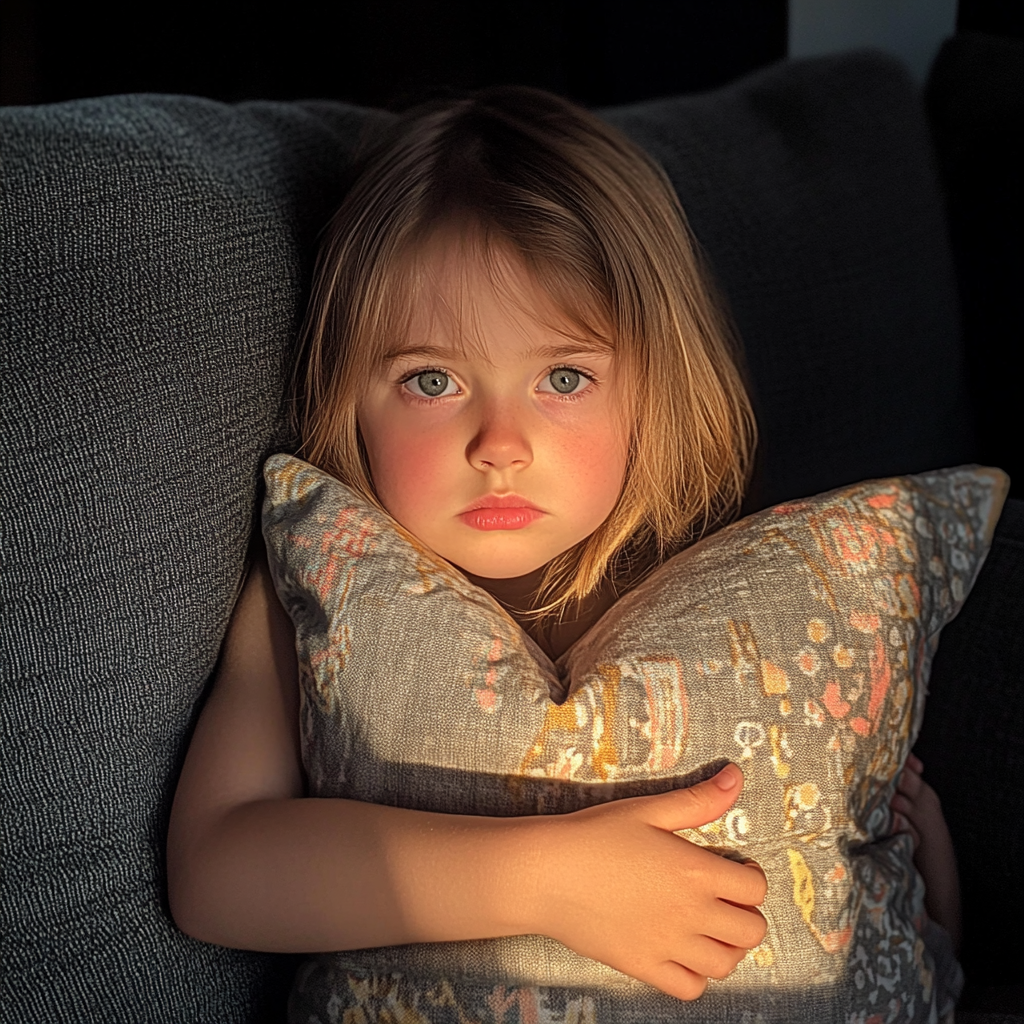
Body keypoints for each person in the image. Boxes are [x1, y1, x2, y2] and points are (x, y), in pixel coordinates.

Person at [166, 86, 959, 1009]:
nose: (499, 443)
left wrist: (923, 854)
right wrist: (546, 882)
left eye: (563, 377)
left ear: (655, 390)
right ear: (349, 397)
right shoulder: (319, 591)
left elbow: (899, 945)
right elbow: (215, 873)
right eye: (433, 379)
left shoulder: (732, 591)